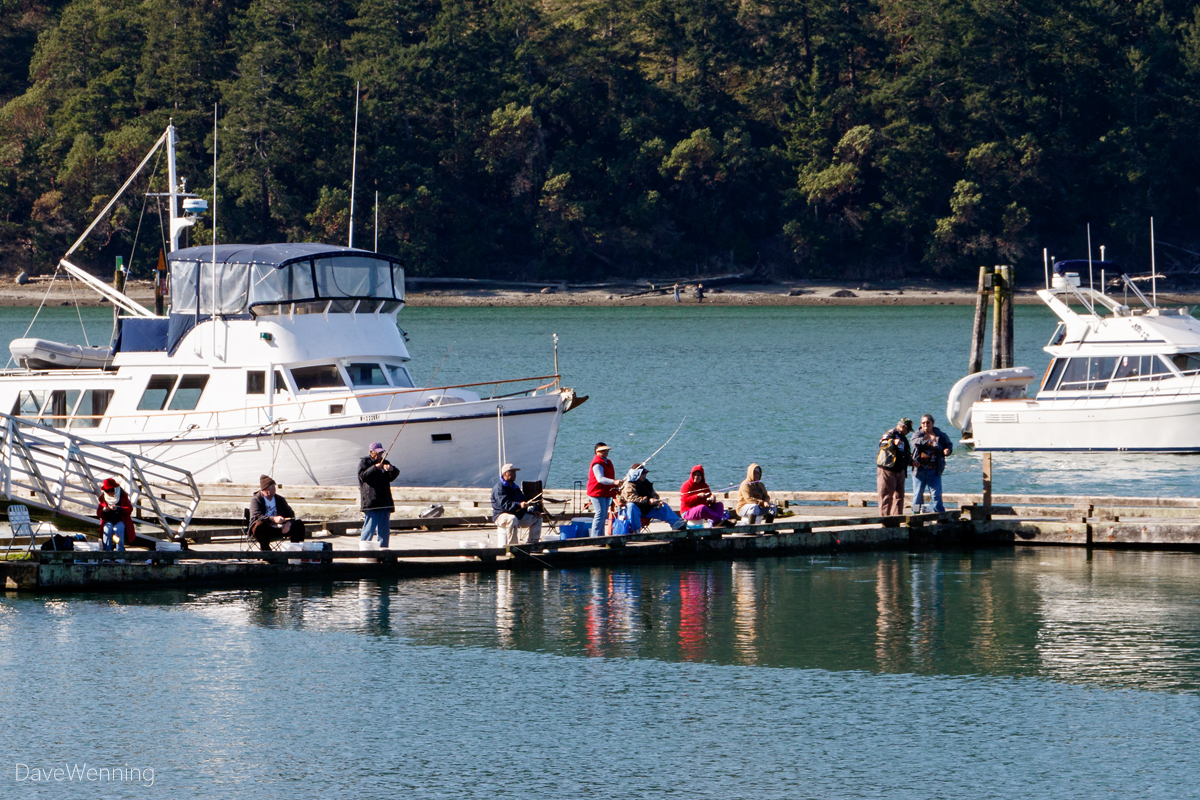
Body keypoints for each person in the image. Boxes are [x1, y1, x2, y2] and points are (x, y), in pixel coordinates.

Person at [618, 463, 687, 531]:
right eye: (642, 474)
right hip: (634, 511)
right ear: (636, 474)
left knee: (663, 506)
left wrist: (656, 501)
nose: (644, 476)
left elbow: (654, 494)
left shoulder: (646, 482)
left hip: (647, 509)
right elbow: (631, 499)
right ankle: (636, 530)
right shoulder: (628, 484)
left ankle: (676, 523)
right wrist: (648, 501)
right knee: (631, 505)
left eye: (645, 474)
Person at [249, 474, 306, 552]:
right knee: (259, 526)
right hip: (266, 530)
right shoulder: (256, 500)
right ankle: (267, 553)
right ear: (264, 489)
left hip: (280, 528)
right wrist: (273, 519)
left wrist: (288, 523)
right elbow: (256, 516)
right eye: (271, 487)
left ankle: (296, 551)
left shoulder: (279, 499)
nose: (274, 489)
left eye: (274, 486)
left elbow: (291, 514)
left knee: (298, 524)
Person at [358, 442, 400, 547]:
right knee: (369, 527)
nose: (380, 455)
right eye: (377, 452)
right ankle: (365, 549)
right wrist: (374, 468)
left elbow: (392, 476)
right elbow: (362, 476)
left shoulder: (385, 462)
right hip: (372, 501)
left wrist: (392, 469)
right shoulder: (364, 462)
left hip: (385, 501)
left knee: (384, 529)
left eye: (381, 452)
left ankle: (383, 550)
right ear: (371, 452)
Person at [491, 463, 541, 546]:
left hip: (518, 515)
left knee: (537, 518)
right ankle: (513, 547)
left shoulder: (515, 487)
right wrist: (519, 505)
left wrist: (533, 511)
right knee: (512, 518)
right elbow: (505, 505)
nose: (514, 475)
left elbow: (524, 500)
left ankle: (533, 544)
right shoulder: (499, 488)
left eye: (515, 472)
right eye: (512, 472)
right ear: (505, 474)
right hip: (500, 516)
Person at [911, 414, 953, 512]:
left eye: (928, 423)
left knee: (936, 494)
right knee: (917, 495)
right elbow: (914, 443)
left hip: (934, 470)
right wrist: (926, 438)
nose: (925, 425)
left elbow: (949, 445)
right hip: (919, 470)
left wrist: (947, 450)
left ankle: (940, 515)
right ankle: (915, 514)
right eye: (923, 423)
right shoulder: (917, 434)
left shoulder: (941, 435)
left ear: (932, 423)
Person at [877, 418, 913, 515]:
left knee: (899, 496)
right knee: (886, 496)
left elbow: (906, 453)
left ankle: (897, 518)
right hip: (888, 469)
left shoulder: (904, 439)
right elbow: (882, 444)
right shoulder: (891, 433)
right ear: (902, 427)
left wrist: (911, 462)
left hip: (900, 471)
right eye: (908, 430)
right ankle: (885, 519)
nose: (909, 432)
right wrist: (892, 442)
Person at [586, 442, 618, 537]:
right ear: (597, 452)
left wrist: (614, 485)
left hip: (606, 492)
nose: (606, 452)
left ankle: (601, 536)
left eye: (607, 450)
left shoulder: (607, 461)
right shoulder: (597, 463)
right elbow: (600, 479)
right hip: (596, 492)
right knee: (600, 514)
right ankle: (595, 537)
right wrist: (614, 482)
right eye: (603, 450)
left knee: (604, 515)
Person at [96, 477, 134, 551]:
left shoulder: (123, 496)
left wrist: (119, 509)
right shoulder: (103, 498)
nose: (110, 492)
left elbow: (129, 509)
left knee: (118, 530)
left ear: (116, 489)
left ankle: (120, 553)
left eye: (112, 490)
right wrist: (104, 511)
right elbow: (99, 513)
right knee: (107, 529)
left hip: (121, 520)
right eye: (107, 491)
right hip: (108, 520)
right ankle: (108, 553)